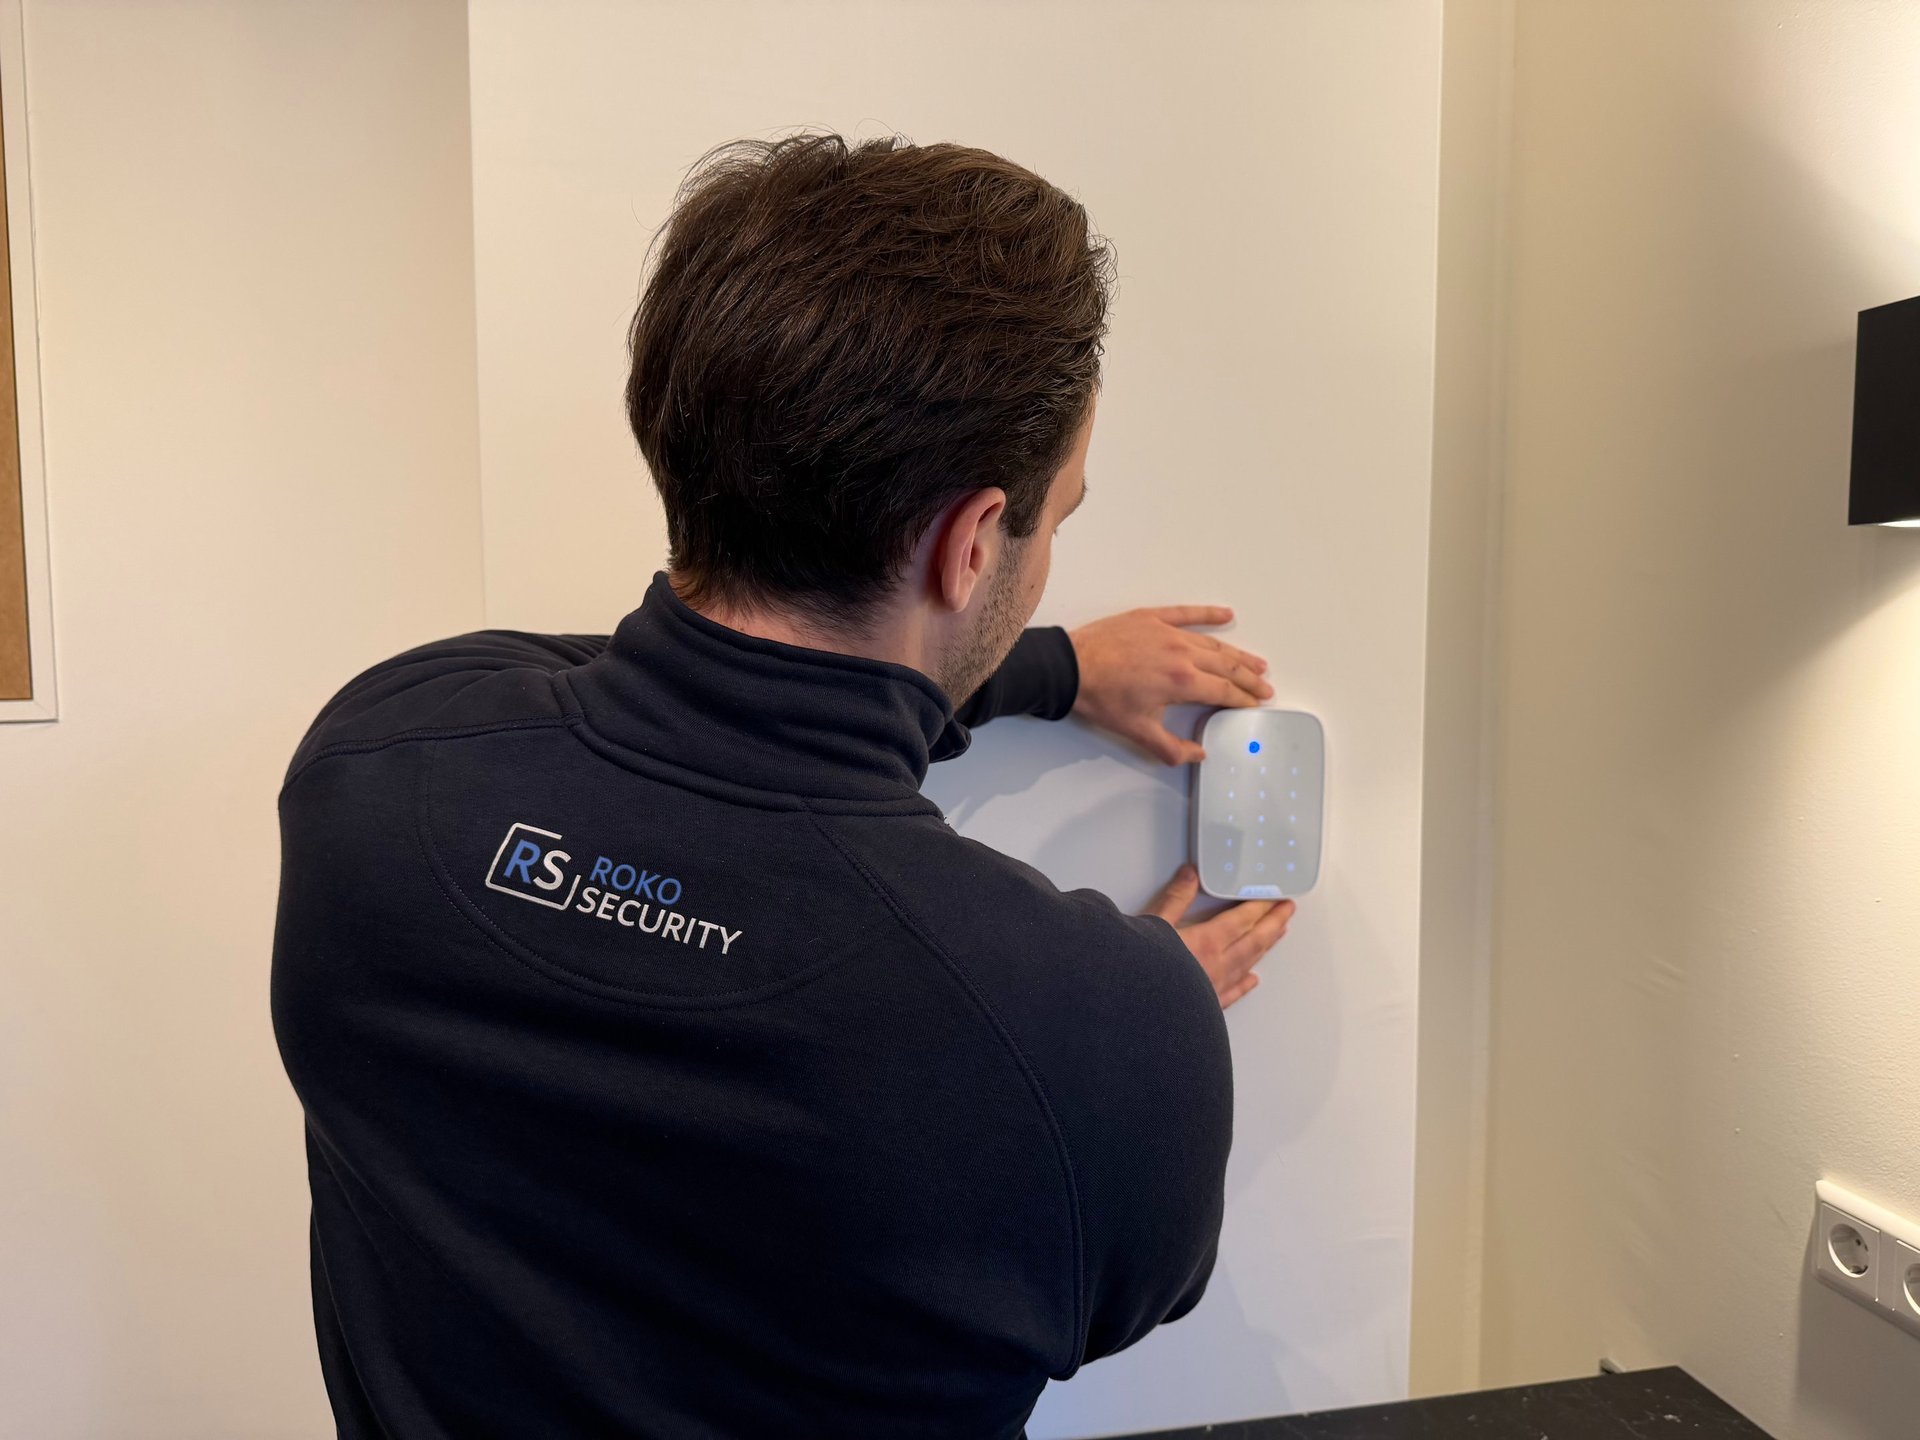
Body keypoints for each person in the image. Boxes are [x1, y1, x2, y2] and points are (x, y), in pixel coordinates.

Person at [271, 132, 1296, 1440]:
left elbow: (684, 699)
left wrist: (1046, 670)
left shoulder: (378, 760)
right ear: (974, 541)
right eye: (1060, 515)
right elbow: (1115, 1287)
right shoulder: (1104, 1031)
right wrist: (1123, 1022)